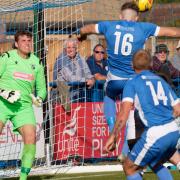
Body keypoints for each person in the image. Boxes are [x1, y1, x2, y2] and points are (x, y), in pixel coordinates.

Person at [78, 1, 180, 159]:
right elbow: (172, 32)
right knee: (134, 116)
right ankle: (126, 152)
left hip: (114, 80)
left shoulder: (108, 25)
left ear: (120, 16)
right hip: (133, 81)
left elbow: (88, 28)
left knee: (109, 96)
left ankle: (112, 127)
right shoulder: (144, 28)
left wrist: (81, 34)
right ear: (137, 17)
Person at [104, 49, 180, 180]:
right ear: (151, 64)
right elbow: (178, 109)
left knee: (129, 167)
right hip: (173, 130)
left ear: (132, 66)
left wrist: (113, 136)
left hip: (155, 131)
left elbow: (124, 112)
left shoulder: (132, 82)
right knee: (156, 161)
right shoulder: (161, 80)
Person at [0, 31, 47, 180]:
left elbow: (42, 89)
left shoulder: (37, 62)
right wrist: (3, 92)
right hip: (2, 103)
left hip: (24, 107)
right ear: (16, 44)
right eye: (23, 41)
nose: (27, 43)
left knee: (31, 137)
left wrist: (39, 98)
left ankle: (23, 178)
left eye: (29, 41)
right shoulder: (6, 57)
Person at [53, 38, 95, 111]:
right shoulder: (61, 59)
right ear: (65, 49)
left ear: (76, 49)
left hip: (79, 95)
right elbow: (70, 78)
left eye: (73, 47)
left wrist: (92, 79)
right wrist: (86, 80)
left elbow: (87, 72)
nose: (71, 49)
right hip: (65, 98)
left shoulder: (81, 58)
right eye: (68, 47)